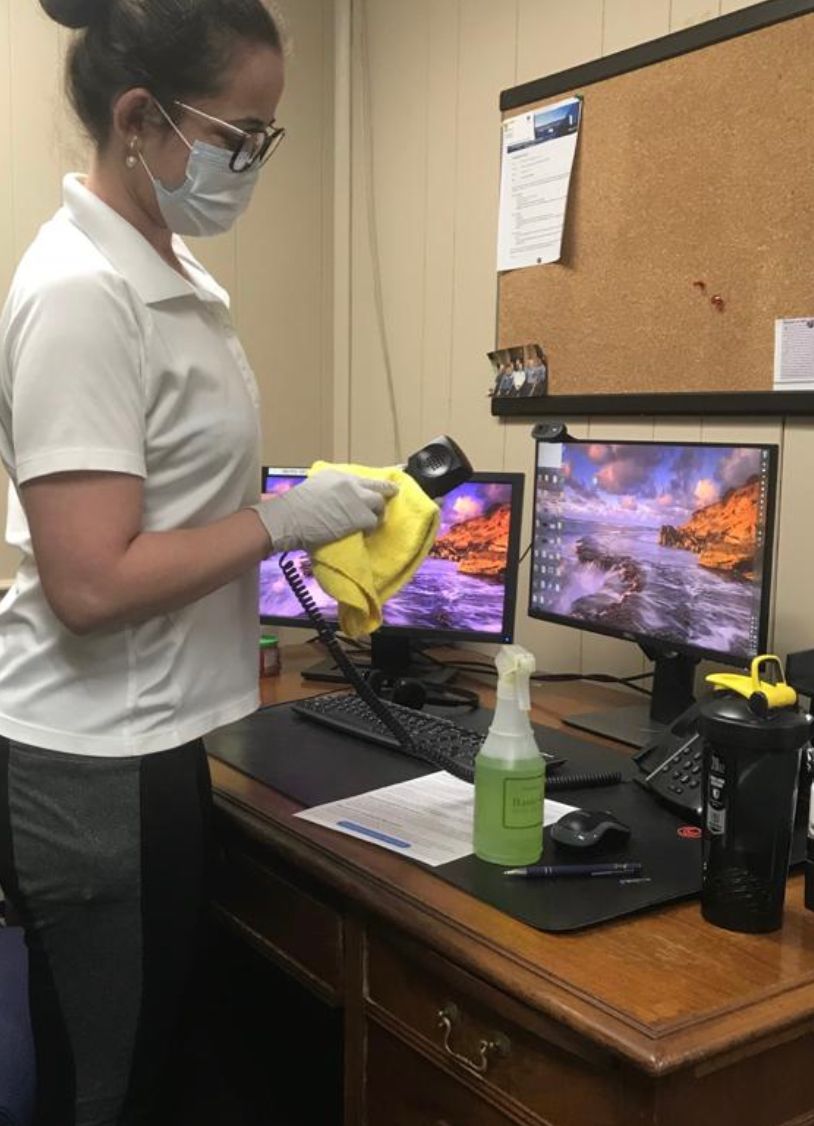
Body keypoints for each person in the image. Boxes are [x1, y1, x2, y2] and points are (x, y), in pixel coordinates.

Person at [0, 2, 396, 1122]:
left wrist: (314, 525)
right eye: (243, 134)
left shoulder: (169, 275)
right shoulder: (83, 293)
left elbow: (170, 498)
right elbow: (88, 584)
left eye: (267, 136)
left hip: (155, 740)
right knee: (109, 1085)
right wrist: (280, 523)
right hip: (88, 763)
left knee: (170, 1047)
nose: (254, 160)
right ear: (140, 119)